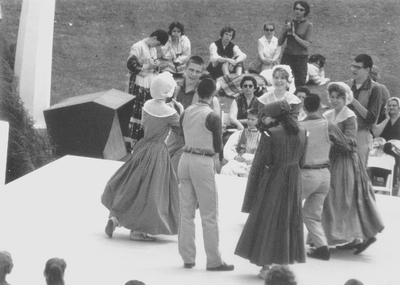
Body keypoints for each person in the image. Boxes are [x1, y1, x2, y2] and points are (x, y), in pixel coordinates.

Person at [102, 72, 183, 241]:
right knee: (150, 192)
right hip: (157, 152)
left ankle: (116, 218)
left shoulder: (147, 104)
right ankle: (138, 230)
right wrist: (180, 110)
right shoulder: (169, 112)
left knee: (132, 185)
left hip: (142, 146)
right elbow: (181, 128)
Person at [236, 100, 308, 279]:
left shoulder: (270, 134)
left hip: (274, 178)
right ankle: (282, 264)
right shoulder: (304, 131)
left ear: (274, 117)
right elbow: (302, 162)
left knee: (268, 218)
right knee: (288, 219)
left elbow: (264, 161)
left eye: (266, 116)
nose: (263, 119)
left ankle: (265, 267)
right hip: (294, 178)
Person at [178, 77, 234, 271]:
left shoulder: (186, 112)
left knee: (186, 212)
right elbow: (218, 146)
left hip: (185, 158)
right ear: (213, 94)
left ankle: (187, 257)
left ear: (197, 92)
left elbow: (183, 134)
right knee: (209, 214)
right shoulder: (212, 117)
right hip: (202, 161)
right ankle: (213, 259)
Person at [322, 82, 384, 254]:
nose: (335, 100)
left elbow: (349, 141)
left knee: (343, 197)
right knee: (334, 198)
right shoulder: (327, 114)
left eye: (339, 97)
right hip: (331, 159)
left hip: (345, 162)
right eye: (332, 97)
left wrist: (331, 141)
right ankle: (344, 235)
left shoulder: (350, 116)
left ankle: (359, 235)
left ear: (346, 98)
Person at [300, 93, 344, 261]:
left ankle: (287, 244)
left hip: (305, 172)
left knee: (288, 208)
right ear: (320, 106)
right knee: (311, 214)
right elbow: (345, 145)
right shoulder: (329, 125)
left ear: (304, 108)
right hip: (325, 173)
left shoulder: (299, 125)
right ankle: (322, 247)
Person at [166, 56, 220, 173]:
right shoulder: (176, 88)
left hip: (189, 141)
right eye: (191, 70)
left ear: (201, 73)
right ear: (185, 69)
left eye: (198, 71)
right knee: (159, 167)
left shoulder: (203, 93)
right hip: (173, 136)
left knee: (174, 172)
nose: (194, 74)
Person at [126, 29, 169, 141]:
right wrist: (148, 66)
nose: (157, 46)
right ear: (154, 38)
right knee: (136, 110)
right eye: (158, 43)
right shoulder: (138, 47)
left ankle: (142, 138)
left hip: (149, 85)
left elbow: (153, 62)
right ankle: (132, 139)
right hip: (139, 83)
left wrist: (156, 65)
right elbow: (131, 65)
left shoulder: (152, 49)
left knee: (146, 109)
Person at [345, 54, 383, 167]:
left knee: (359, 171)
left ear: (367, 70)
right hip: (344, 133)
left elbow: (371, 118)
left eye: (357, 67)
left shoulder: (375, 88)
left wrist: (354, 101)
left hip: (361, 134)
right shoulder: (346, 85)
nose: (353, 69)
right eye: (352, 66)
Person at [278, 1, 313, 87]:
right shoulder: (289, 23)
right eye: (296, 9)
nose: (298, 11)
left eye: (301, 10)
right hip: (287, 55)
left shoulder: (308, 25)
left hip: (300, 57)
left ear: (305, 12)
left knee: (300, 82)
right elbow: (279, 42)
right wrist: (286, 30)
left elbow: (306, 44)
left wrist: (294, 35)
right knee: (282, 80)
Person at [221, 108, 261, 177]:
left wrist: (255, 160)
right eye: (248, 119)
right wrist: (235, 157)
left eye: (253, 119)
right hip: (240, 162)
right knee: (226, 169)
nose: (250, 121)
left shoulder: (262, 135)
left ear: (258, 121)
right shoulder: (239, 134)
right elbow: (228, 148)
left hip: (255, 163)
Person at [372, 97, 400, 185]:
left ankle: (392, 181)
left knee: (390, 150)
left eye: (394, 105)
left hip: (397, 146)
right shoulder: (382, 118)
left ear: (399, 107)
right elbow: (376, 133)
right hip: (382, 145)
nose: (391, 107)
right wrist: (387, 119)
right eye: (389, 105)